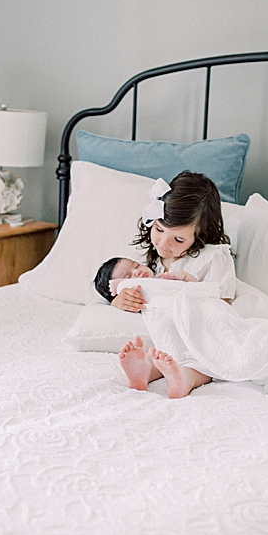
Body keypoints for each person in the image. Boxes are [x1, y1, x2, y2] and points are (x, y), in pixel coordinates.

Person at [99, 171, 235, 399]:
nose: (163, 243)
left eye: (178, 239)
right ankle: (145, 371)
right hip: (168, 329)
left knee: (210, 357)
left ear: (201, 235)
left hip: (201, 327)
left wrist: (190, 286)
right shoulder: (150, 262)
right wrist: (120, 301)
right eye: (159, 230)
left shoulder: (213, 257)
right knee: (161, 348)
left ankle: (187, 378)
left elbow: (222, 304)